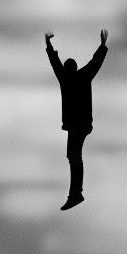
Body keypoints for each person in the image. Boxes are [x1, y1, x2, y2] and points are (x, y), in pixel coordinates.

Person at [44, 29, 108, 210]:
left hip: (77, 125)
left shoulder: (67, 78)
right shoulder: (82, 76)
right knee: (73, 156)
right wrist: (102, 46)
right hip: (81, 125)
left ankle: (76, 193)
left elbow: (55, 63)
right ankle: (75, 193)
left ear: (67, 69)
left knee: (74, 156)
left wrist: (48, 45)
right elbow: (95, 62)